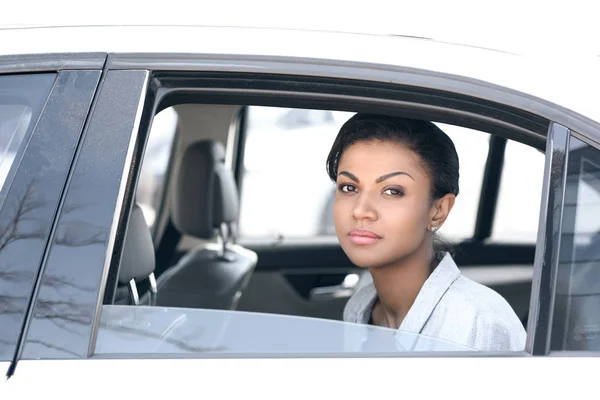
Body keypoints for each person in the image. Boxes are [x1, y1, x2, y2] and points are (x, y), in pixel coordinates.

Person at [327, 113, 526, 351]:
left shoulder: (477, 322)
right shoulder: (359, 307)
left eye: (392, 191)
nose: (360, 211)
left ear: (438, 210)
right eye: (349, 187)